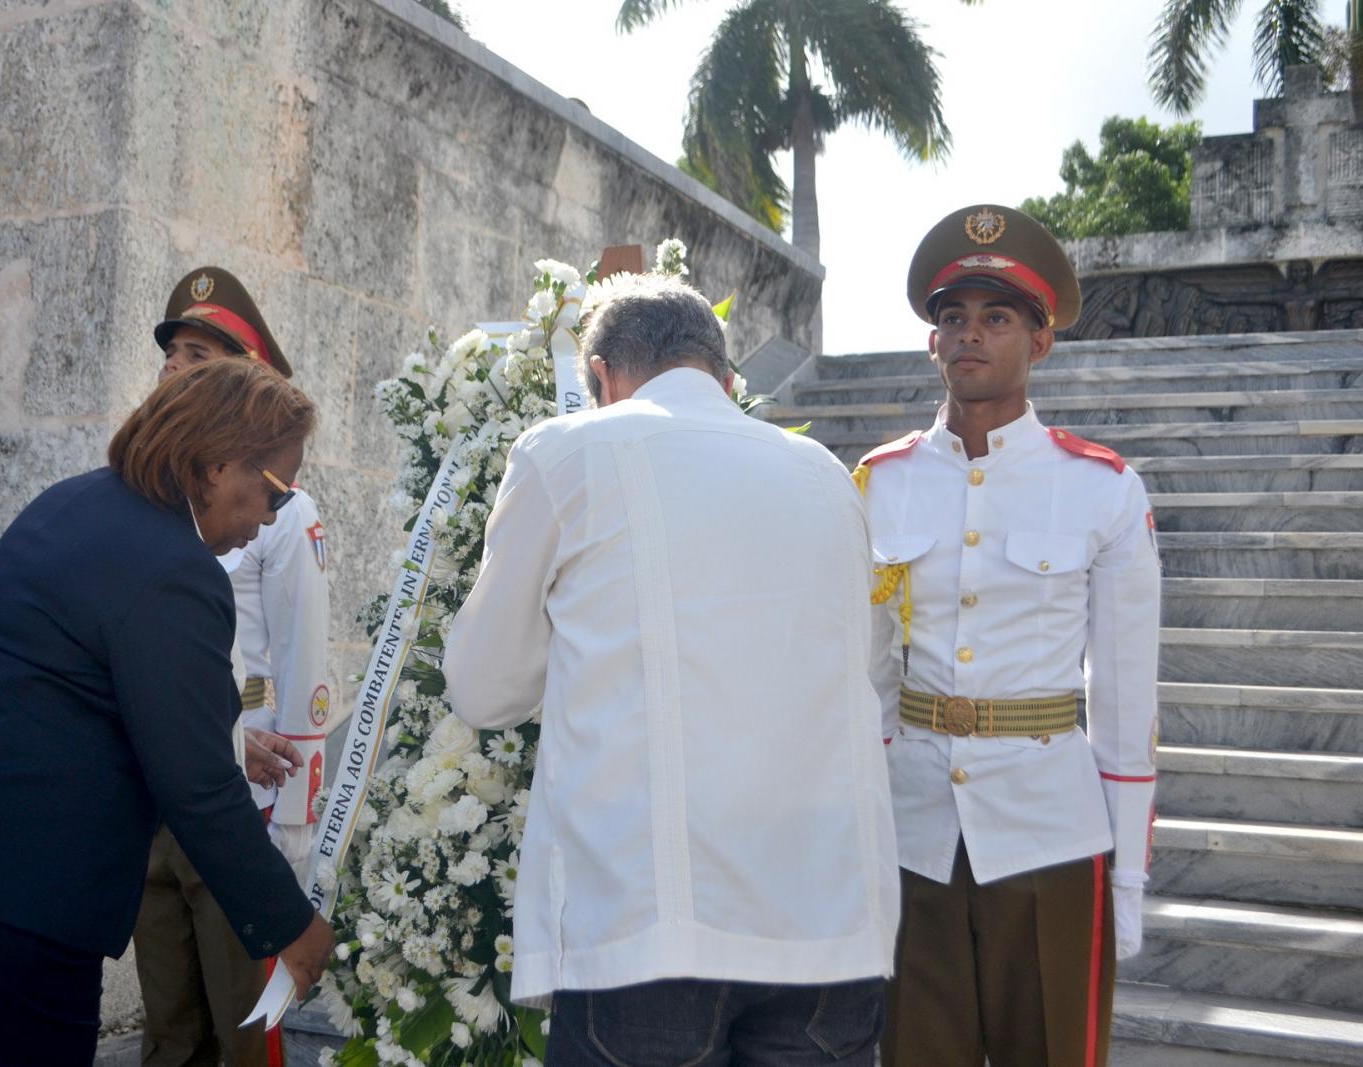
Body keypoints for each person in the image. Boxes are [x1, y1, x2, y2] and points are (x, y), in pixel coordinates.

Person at [0, 359, 336, 1067]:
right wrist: (289, 924)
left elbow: (75, 689)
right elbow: (198, 786)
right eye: (275, 492)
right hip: (2, 900)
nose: (271, 519)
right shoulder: (177, 568)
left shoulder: (72, 502)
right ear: (215, 463)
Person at [443, 274, 900, 1066]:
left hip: (649, 926)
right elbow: (870, 672)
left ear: (602, 380)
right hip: (828, 923)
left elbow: (484, 690)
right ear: (726, 380)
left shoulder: (567, 451)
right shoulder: (827, 474)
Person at [863, 204, 1161, 1067]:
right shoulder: (880, 485)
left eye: (997, 317)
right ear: (931, 342)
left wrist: (1128, 877)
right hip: (915, 837)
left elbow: (1124, 697)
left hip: (1051, 837)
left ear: (1041, 343)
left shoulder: (1102, 490)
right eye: (952, 317)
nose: (970, 335)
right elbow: (873, 677)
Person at [136, 266, 335, 1067]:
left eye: (197, 355)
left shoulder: (284, 509)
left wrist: (291, 830)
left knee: (244, 1029)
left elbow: (303, 666)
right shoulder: (149, 495)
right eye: (173, 351)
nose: (173, 368)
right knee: (170, 1028)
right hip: (160, 790)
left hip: (242, 802)